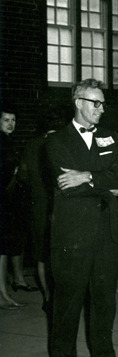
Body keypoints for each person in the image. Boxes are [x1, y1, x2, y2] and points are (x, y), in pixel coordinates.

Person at [45, 79, 118, 357]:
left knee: (104, 300)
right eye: (95, 103)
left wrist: (86, 177)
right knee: (67, 301)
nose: (101, 109)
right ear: (78, 102)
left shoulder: (111, 136)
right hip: (73, 234)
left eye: (103, 103)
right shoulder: (57, 141)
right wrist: (102, 182)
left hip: (105, 233)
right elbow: (65, 187)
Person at [17, 106, 63, 312]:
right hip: (62, 207)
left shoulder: (31, 145)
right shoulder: (64, 144)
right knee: (61, 255)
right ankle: (61, 297)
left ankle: (47, 297)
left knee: (42, 255)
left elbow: (23, 177)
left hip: (38, 207)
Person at [1, 107, 37, 310]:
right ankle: (2, 294)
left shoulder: (8, 141)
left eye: (13, 120)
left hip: (8, 201)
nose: (10, 123)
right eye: (6, 119)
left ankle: (4, 293)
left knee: (4, 250)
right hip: (4, 200)